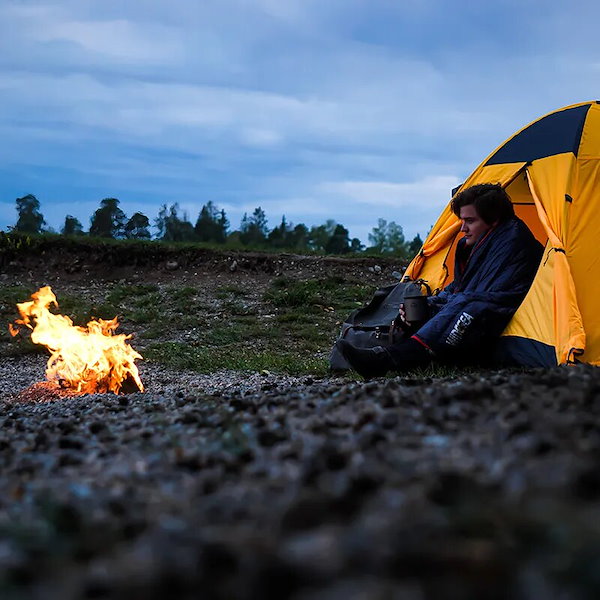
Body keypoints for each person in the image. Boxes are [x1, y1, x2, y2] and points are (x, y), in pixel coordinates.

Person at [336, 183, 544, 378]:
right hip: (478, 305)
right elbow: (460, 287)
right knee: (428, 303)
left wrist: (442, 305)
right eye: (462, 220)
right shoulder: (482, 242)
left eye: (470, 221)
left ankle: (390, 359)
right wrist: (427, 305)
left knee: (467, 305)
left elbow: (490, 297)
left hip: (500, 313)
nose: (463, 228)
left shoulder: (513, 242)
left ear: (494, 220)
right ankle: (396, 347)